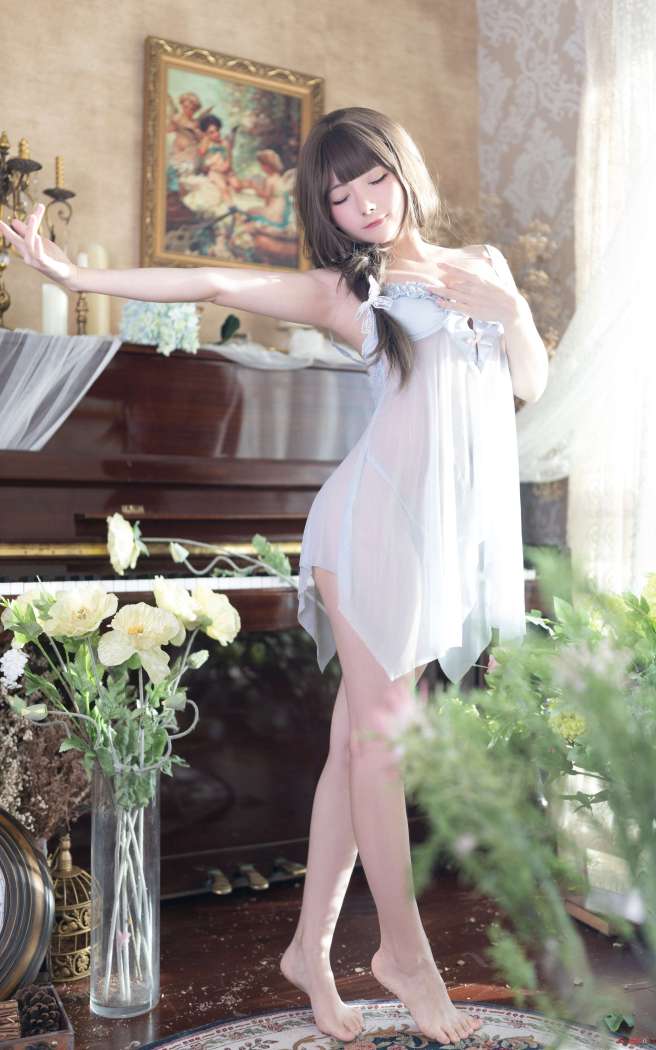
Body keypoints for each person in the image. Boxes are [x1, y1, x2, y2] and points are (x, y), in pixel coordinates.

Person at [0, 106, 548, 1045]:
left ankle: (308, 950)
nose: (362, 204)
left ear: (403, 170)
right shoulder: (348, 291)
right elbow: (217, 279)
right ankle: (406, 958)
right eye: (338, 195)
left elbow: (526, 385)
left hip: (437, 537)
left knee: (355, 749)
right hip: (369, 526)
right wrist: (75, 275)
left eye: (373, 178)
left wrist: (515, 313)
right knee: (383, 746)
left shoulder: (482, 266)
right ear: (325, 213)